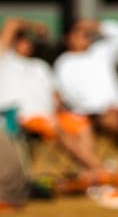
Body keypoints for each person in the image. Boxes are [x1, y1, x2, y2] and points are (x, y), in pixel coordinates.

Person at [52, 18, 118, 190]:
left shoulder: (100, 52)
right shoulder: (64, 64)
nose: (84, 37)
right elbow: (68, 97)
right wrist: (100, 107)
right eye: (79, 34)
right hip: (92, 114)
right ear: (68, 38)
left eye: (86, 34)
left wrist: (95, 25)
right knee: (112, 121)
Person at [0, 18, 100, 176]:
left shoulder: (40, 66)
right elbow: (11, 23)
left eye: (29, 41)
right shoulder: (5, 60)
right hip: (23, 117)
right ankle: (97, 168)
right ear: (14, 43)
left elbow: (56, 95)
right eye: (23, 41)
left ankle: (87, 172)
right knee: (56, 129)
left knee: (81, 123)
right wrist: (35, 26)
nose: (27, 44)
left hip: (51, 115)